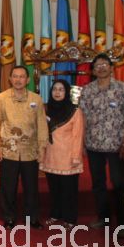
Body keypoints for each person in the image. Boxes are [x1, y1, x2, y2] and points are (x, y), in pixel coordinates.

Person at [79, 53, 124, 229]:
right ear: (93, 71)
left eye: (105, 64)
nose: (101, 67)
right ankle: (103, 218)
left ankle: (123, 222)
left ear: (111, 68)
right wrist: (82, 143)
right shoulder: (87, 90)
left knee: (119, 183)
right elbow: (83, 118)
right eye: (98, 65)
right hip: (93, 145)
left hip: (116, 145)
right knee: (98, 184)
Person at [0, 65, 48, 229]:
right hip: (8, 151)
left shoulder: (36, 99)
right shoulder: (1, 98)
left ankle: (32, 218)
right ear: (10, 79)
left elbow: (42, 124)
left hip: (30, 151)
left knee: (31, 187)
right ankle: (9, 217)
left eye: (22, 76)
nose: (18, 80)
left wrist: (42, 147)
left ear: (28, 80)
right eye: (15, 76)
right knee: (8, 187)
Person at [39, 79, 84, 229]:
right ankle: (55, 214)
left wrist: (76, 156)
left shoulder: (75, 111)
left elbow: (78, 136)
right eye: (54, 89)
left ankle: (70, 218)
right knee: (54, 189)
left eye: (61, 89)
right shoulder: (46, 109)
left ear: (67, 92)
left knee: (69, 190)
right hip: (51, 156)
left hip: (68, 158)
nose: (57, 92)